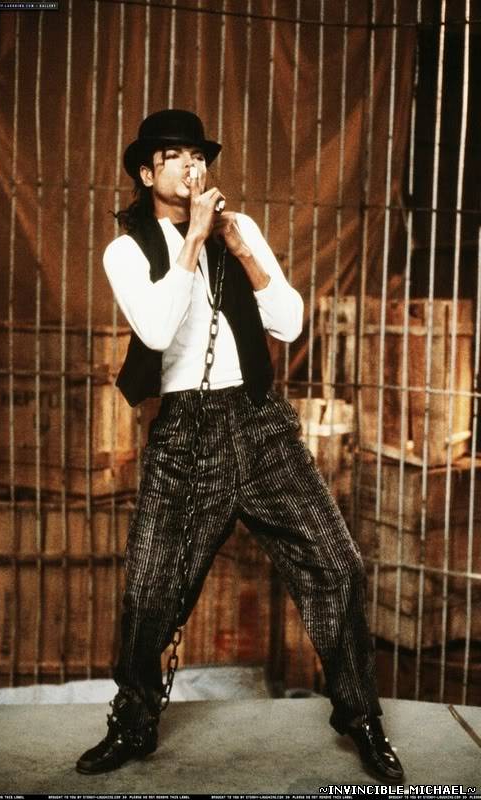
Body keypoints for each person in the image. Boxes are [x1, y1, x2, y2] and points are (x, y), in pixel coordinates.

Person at [75, 109, 404, 782]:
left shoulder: (241, 229)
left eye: (198, 155)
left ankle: (360, 716)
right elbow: (158, 330)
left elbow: (289, 322)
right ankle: (133, 723)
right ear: (147, 175)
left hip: (259, 423)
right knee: (150, 593)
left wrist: (239, 246)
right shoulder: (125, 251)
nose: (191, 166)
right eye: (174, 156)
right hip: (185, 434)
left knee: (337, 565)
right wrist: (192, 239)